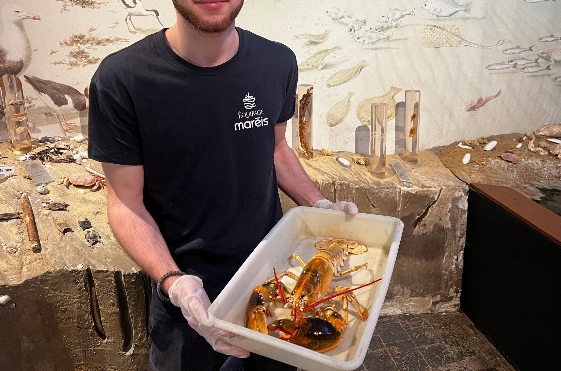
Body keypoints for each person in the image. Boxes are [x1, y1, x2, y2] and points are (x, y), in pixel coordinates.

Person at [87, 1, 358, 370]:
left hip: (274, 277)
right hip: (186, 289)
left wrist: (319, 203)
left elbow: (275, 148)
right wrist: (174, 282)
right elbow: (124, 202)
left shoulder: (276, 62)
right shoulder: (122, 78)